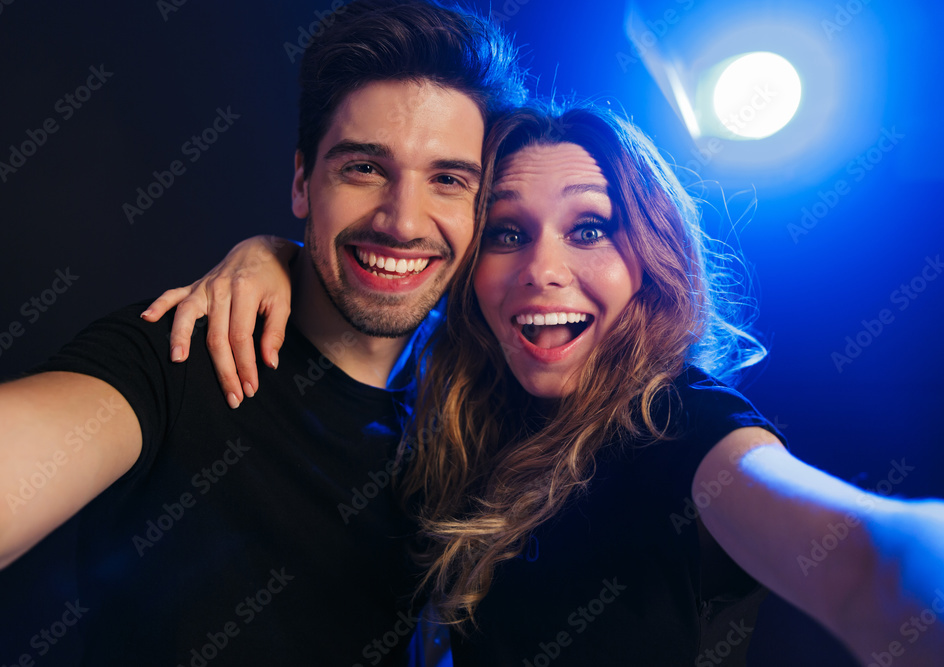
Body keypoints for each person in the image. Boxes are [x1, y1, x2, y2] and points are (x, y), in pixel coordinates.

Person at [151, 103, 944, 665]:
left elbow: (862, 560)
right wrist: (274, 252)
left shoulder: (675, 422)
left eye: (591, 227)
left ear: (648, 259)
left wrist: (911, 563)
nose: (543, 271)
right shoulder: (443, 418)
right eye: (506, 233)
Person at [0, 1, 526, 663]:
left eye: (448, 180)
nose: (401, 220)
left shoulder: (483, 404)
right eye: (363, 168)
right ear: (304, 182)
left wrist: (274, 251)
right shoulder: (181, 349)